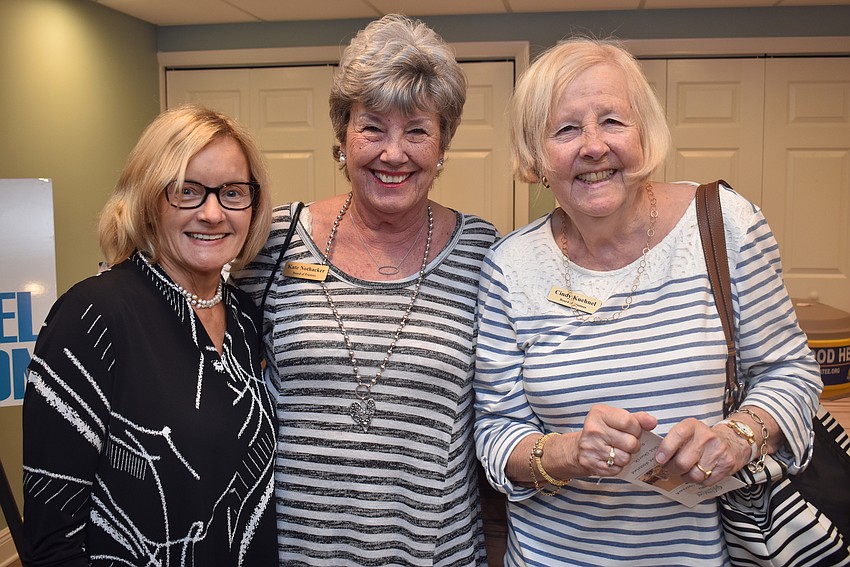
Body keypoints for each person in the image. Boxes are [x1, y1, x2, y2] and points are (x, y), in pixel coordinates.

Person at [473, 37, 822, 566]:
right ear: (537, 156)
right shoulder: (509, 267)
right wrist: (570, 453)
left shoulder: (725, 225)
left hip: (703, 555)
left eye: (612, 121)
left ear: (646, 133)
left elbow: (792, 373)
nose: (592, 146)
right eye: (566, 129)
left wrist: (739, 436)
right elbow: (496, 434)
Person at [231, 14, 497, 566]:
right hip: (295, 553)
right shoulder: (274, 241)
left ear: (443, 141)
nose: (393, 153)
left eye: (417, 130)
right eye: (372, 127)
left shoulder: (484, 253)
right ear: (342, 135)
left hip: (435, 553)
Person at [21, 104, 277, 566]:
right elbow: (53, 539)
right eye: (186, 191)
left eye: (233, 192)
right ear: (147, 200)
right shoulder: (92, 317)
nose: (213, 213)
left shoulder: (243, 317)